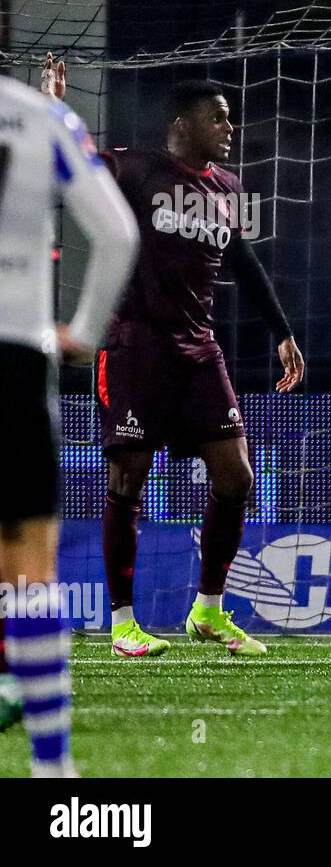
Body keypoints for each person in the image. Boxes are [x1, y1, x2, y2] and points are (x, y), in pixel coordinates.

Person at [41, 57, 305, 658]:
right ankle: (122, 624)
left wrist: (282, 330)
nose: (229, 128)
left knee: (235, 473)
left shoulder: (228, 187)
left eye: (230, 119)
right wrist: (55, 107)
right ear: (183, 124)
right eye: (218, 118)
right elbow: (68, 171)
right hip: (137, 345)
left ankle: (208, 610)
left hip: (198, 348)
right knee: (129, 477)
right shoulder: (135, 168)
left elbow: (242, 260)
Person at [0, 72, 139, 774]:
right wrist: (81, 333)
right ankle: (52, 771)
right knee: (29, 569)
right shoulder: (37, 116)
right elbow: (116, 235)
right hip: (16, 360)